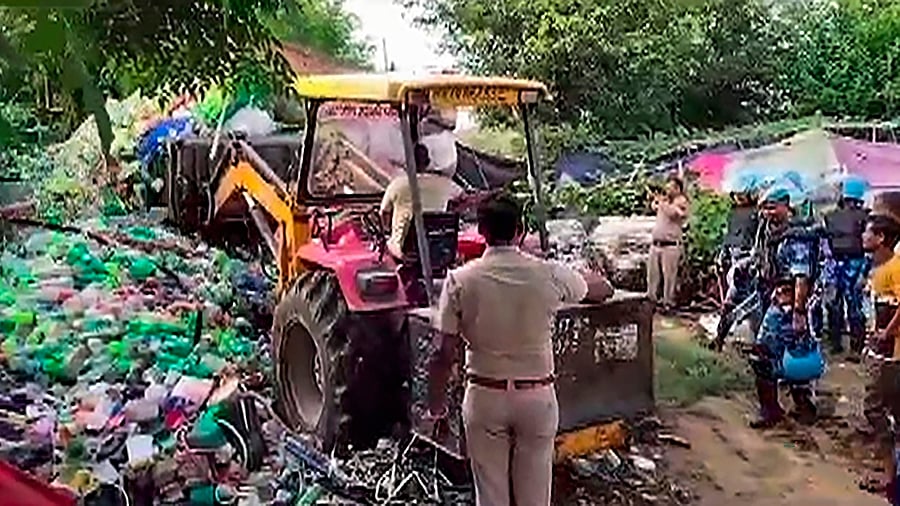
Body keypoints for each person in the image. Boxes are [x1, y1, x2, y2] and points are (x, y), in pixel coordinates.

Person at [426, 193, 613, 506]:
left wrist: (436, 406)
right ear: (520, 230)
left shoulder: (460, 281)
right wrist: (587, 276)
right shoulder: (548, 274)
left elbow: (442, 353)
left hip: (484, 398)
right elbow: (601, 291)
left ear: (482, 231)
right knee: (535, 497)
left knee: (491, 496)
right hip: (537, 398)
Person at [747, 185, 827, 429]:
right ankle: (781, 408)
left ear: (787, 206)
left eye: (772, 206)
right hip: (780, 300)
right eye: (764, 207)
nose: (767, 212)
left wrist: (799, 312)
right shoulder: (773, 234)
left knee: (782, 353)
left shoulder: (796, 237)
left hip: (793, 306)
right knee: (776, 353)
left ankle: (788, 409)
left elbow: (801, 277)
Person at [860, 214, 900, 497]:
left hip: (891, 353)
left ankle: (890, 476)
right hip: (881, 348)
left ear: (882, 238)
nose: (862, 235)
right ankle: (891, 475)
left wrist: (887, 331)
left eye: (867, 231)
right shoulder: (879, 267)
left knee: (876, 408)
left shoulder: (895, 268)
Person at [380, 143, 464, 260]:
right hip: (438, 251)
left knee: (387, 244)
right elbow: (464, 197)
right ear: (428, 163)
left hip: (405, 253)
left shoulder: (397, 184)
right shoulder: (445, 184)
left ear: (408, 164)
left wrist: (389, 232)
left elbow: (384, 213)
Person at [823, 178, 871, 355]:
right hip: (855, 263)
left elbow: (826, 243)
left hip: (835, 264)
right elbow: (868, 246)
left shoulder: (830, 216)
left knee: (834, 304)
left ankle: (835, 344)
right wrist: (865, 272)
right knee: (854, 306)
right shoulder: (867, 216)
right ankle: (856, 349)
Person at [712, 182, 761, 350]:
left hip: (748, 263)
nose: (739, 195)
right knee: (740, 302)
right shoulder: (733, 213)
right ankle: (721, 338)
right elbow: (729, 236)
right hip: (734, 259)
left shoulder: (757, 214)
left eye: (742, 191)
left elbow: (759, 240)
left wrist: (750, 260)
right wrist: (722, 255)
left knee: (744, 302)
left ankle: (722, 338)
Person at [647, 175, 690, 313]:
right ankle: (651, 301)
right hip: (656, 245)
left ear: (677, 189)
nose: (667, 190)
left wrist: (662, 203)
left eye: (670, 188)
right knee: (653, 276)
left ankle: (668, 305)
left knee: (669, 278)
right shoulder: (665, 201)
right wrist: (656, 201)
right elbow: (654, 207)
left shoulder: (681, 201)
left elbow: (674, 213)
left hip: (670, 245)